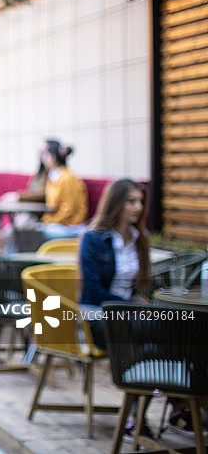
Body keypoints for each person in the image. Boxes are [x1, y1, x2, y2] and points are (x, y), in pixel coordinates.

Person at [79, 178, 153, 441]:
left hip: (126, 314)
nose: (138, 207)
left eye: (140, 201)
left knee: (164, 333)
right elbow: (93, 291)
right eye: (131, 201)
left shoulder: (138, 238)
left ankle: (156, 410)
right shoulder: (93, 239)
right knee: (142, 333)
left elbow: (138, 286)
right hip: (96, 314)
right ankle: (138, 416)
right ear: (116, 203)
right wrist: (131, 307)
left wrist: (139, 300)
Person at [38, 139, 88, 239]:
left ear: (53, 156)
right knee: (23, 232)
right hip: (56, 224)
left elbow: (68, 210)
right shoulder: (52, 177)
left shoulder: (68, 178)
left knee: (34, 235)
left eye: (44, 153)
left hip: (71, 227)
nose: (41, 157)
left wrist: (47, 222)